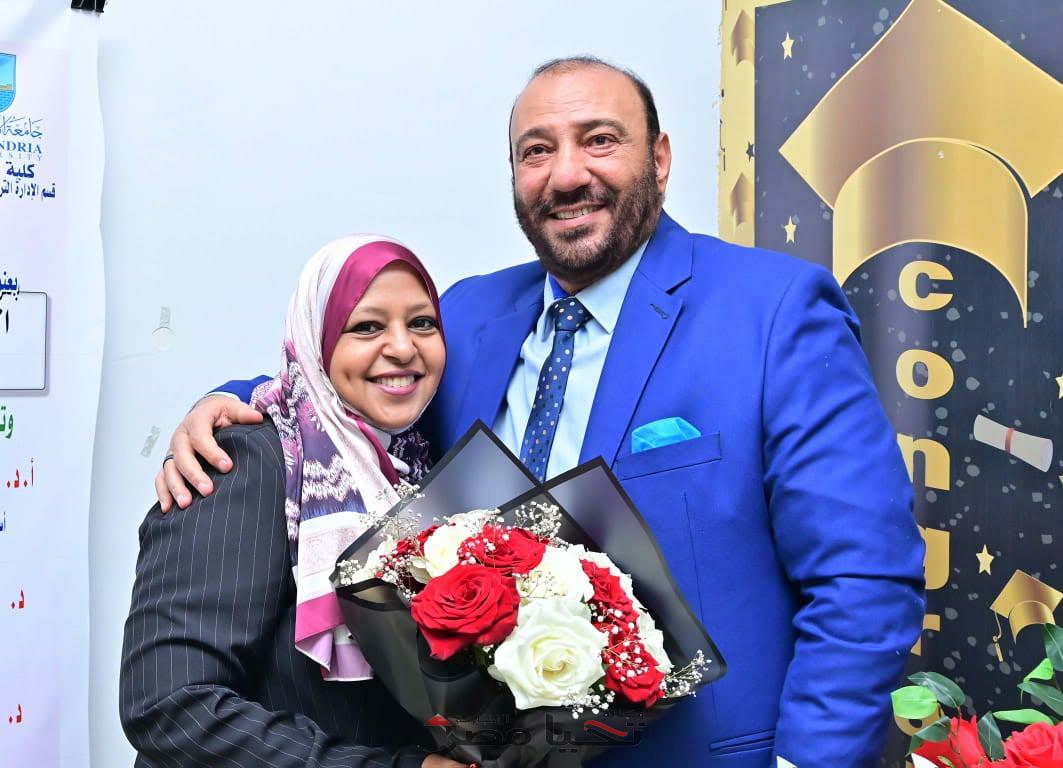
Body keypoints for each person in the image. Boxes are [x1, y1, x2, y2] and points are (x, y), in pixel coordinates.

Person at [154, 58, 926, 767]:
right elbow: (354, 375)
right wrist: (230, 403)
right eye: (536, 150)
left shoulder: (773, 311)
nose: (566, 174)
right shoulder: (470, 314)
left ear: (659, 159)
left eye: (599, 140)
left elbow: (863, 577)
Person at [120, 236, 468, 768]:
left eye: (422, 323)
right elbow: (169, 705)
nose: (402, 348)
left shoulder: (413, 469)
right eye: (366, 327)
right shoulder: (249, 462)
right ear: (316, 341)